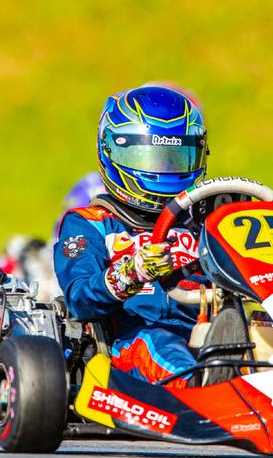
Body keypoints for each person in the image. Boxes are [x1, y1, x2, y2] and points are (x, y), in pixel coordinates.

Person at [53, 85, 209, 387]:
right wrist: (132, 271)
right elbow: (80, 298)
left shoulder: (204, 221)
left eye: (175, 158)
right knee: (165, 350)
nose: (164, 170)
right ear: (114, 151)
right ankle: (199, 393)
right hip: (131, 339)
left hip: (214, 331)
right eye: (152, 158)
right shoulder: (91, 224)